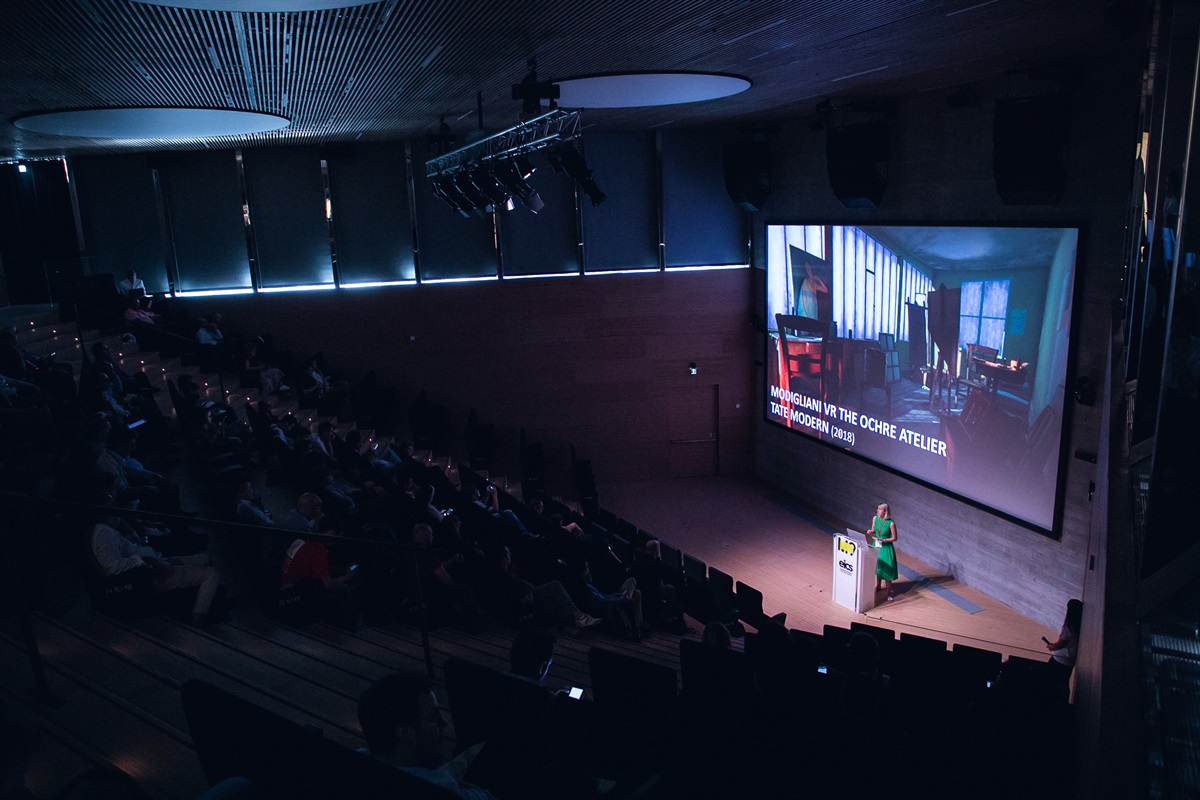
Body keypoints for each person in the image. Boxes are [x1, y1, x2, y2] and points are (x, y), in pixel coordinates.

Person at [357, 671, 496, 799]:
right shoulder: (441, 787)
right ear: (405, 734)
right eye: (434, 717)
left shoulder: (357, 766)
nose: (443, 723)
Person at [1044, 598, 1082, 703]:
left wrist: (1051, 646)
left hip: (1059, 659)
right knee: (1064, 683)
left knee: (1050, 681)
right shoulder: (1079, 627)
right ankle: (1063, 702)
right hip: (1070, 661)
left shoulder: (1068, 627)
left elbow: (1059, 645)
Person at [868, 501, 898, 601]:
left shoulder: (891, 523)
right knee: (878, 566)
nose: (877, 510)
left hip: (886, 547)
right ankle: (878, 586)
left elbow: (894, 538)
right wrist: (870, 531)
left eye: (879, 509)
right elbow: (873, 530)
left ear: (885, 511)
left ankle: (888, 593)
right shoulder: (875, 518)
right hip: (876, 544)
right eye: (877, 509)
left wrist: (883, 540)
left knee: (887, 569)